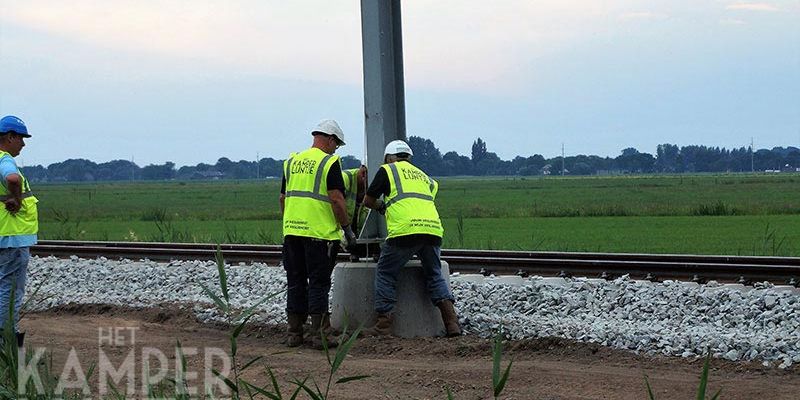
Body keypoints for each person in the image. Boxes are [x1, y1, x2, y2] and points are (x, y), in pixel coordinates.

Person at [362, 140, 461, 337]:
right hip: (432, 230)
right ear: (409, 157)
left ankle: (383, 326)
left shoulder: (388, 170)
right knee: (433, 273)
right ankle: (452, 324)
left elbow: (368, 200)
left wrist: (382, 206)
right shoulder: (425, 177)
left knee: (385, 271)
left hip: (405, 230)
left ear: (389, 158)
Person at [279, 119, 357, 349]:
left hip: (291, 233)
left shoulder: (292, 162)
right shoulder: (329, 162)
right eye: (337, 145)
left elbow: (283, 198)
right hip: (319, 235)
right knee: (319, 283)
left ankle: (294, 333)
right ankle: (320, 335)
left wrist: (290, 224)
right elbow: (336, 199)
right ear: (330, 140)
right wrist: (347, 229)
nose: (336, 149)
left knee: (295, 281)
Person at [0, 115, 38, 348]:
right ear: (10, 137)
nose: (23, 144)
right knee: (10, 289)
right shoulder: (4, 160)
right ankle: (7, 341)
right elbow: (12, 178)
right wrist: (16, 198)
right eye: (21, 139)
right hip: (11, 236)